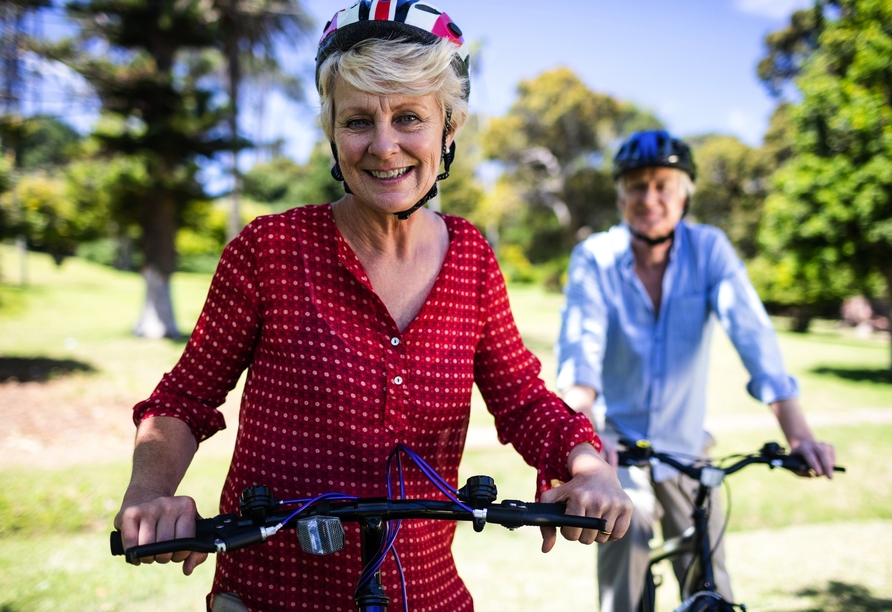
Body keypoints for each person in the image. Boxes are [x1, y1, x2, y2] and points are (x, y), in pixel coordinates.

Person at [113, 3, 632, 611]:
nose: (384, 147)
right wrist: (150, 493)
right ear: (333, 132)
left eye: (409, 116)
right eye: (359, 119)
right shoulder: (269, 249)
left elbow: (521, 399)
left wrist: (588, 465)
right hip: (272, 594)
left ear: (448, 128)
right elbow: (186, 397)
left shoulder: (471, 257)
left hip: (427, 594)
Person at [555, 129, 837, 612]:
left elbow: (755, 339)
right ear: (620, 194)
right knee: (629, 526)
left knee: (712, 580)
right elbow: (581, 361)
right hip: (619, 448)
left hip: (688, 449)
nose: (650, 198)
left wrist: (799, 435)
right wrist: (584, 445)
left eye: (664, 185)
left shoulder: (710, 250)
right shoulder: (595, 258)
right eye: (637, 186)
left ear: (686, 192)